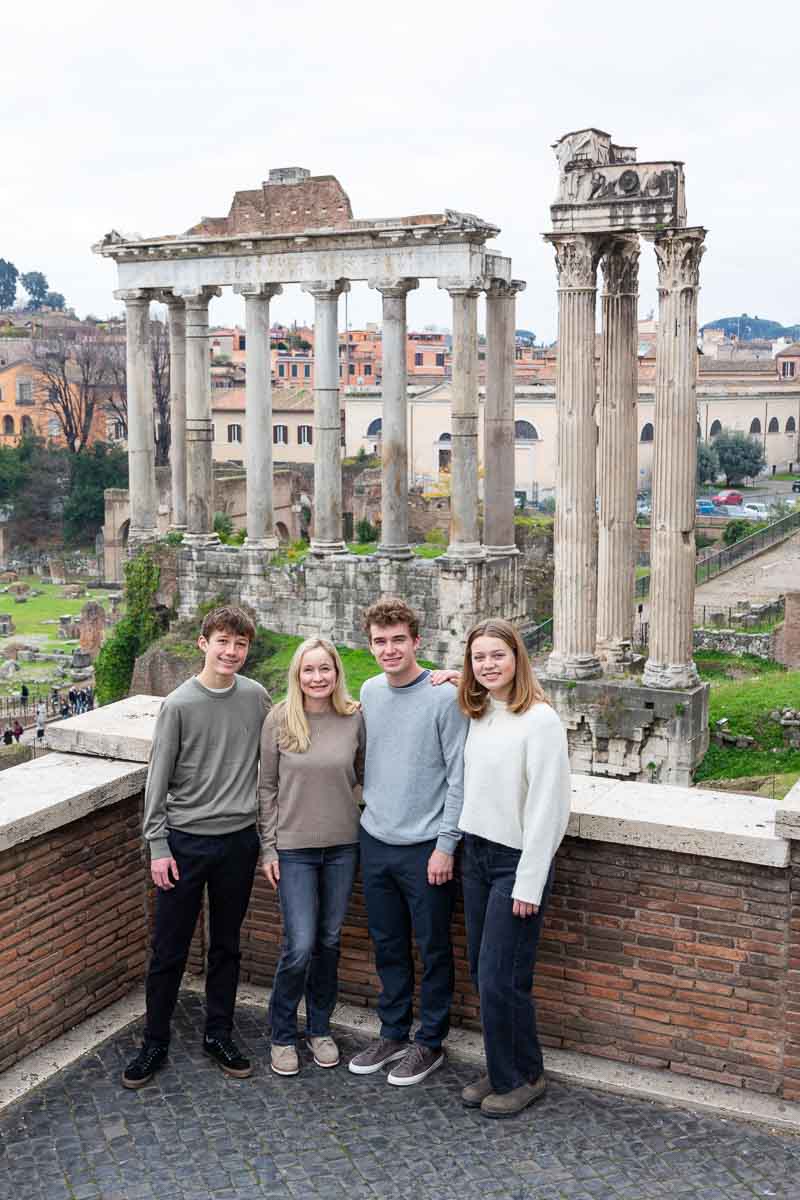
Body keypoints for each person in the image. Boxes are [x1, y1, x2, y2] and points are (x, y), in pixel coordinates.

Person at [122, 605, 271, 1090]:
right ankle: (155, 1040)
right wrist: (158, 844)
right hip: (184, 843)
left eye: (241, 644)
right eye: (223, 641)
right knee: (169, 949)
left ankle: (218, 1033)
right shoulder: (179, 704)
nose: (232, 652)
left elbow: (282, 749)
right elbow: (156, 781)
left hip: (238, 842)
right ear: (204, 644)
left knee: (227, 946)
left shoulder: (256, 697)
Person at [348, 597, 467, 1086]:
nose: (389, 649)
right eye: (380, 641)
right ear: (370, 645)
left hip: (426, 847)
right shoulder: (371, 692)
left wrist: (446, 844)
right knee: (388, 943)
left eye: (399, 639)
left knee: (433, 946)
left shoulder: (443, 697)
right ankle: (393, 1030)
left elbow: (460, 775)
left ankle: (430, 1041)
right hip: (375, 839)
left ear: (417, 641)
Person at [456, 618, 570, 1119]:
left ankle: (512, 1079)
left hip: (514, 863)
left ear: (517, 658)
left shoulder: (540, 720)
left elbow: (550, 805)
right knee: (495, 977)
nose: (487, 665)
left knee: (497, 976)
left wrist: (530, 878)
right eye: (478, 657)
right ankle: (521, 1067)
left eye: (497, 656)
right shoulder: (481, 712)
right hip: (475, 855)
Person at [259, 636, 365, 1077]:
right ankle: (282, 1033)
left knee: (329, 941)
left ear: (337, 672)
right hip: (294, 849)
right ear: (297, 674)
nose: (317, 677)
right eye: (309, 670)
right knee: (299, 945)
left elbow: (363, 776)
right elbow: (265, 787)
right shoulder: (280, 719)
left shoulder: (354, 718)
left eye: (325, 669)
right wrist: (268, 846)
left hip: (343, 845)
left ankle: (319, 1027)